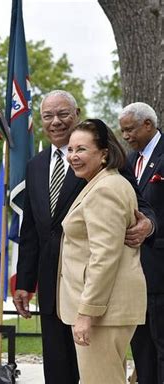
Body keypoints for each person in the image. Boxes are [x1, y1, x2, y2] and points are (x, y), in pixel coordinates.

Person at [13, 90, 155, 384]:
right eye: (48, 116)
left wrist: (148, 225)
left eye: (63, 114)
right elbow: (31, 231)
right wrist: (25, 282)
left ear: (76, 113)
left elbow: (138, 207)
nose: (56, 122)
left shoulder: (107, 169)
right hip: (54, 289)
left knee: (98, 374)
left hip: (96, 294)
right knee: (59, 371)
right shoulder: (36, 165)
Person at [58, 119, 146, 383]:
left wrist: (87, 313)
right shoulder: (101, 183)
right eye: (71, 150)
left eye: (82, 150)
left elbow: (104, 257)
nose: (73, 157)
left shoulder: (105, 189)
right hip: (107, 310)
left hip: (102, 313)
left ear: (104, 153)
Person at [119, 102, 164, 384]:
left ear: (148, 124)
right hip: (133, 274)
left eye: (129, 130)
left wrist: (152, 227)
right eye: (122, 131)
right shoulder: (127, 161)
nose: (125, 136)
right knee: (142, 348)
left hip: (160, 271)